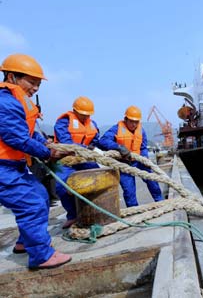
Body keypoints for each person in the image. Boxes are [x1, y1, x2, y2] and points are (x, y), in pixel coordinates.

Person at [0, 54, 71, 269]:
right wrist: (47, 153)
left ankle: (24, 243)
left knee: (40, 195)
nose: (35, 88)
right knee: (31, 205)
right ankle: (41, 255)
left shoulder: (16, 102)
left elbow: (28, 133)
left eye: (38, 84)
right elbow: (17, 138)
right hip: (3, 168)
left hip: (14, 166)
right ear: (12, 77)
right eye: (31, 82)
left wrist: (46, 144)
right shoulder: (5, 103)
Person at [99, 106, 164, 207]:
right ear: (125, 119)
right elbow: (103, 141)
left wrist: (144, 158)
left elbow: (143, 148)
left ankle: (160, 201)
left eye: (136, 122)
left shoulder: (141, 131)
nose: (134, 124)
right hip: (123, 163)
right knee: (129, 189)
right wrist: (118, 147)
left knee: (152, 179)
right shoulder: (116, 129)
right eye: (131, 121)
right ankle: (134, 210)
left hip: (138, 161)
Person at [54, 96, 100, 228]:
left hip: (84, 159)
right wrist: (85, 148)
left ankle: (97, 210)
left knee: (99, 178)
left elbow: (95, 140)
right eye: (82, 114)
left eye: (88, 115)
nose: (85, 117)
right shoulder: (64, 122)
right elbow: (66, 142)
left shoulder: (93, 124)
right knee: (62, 187)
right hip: (65, 160)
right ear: (75, 111)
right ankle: (73, 215)